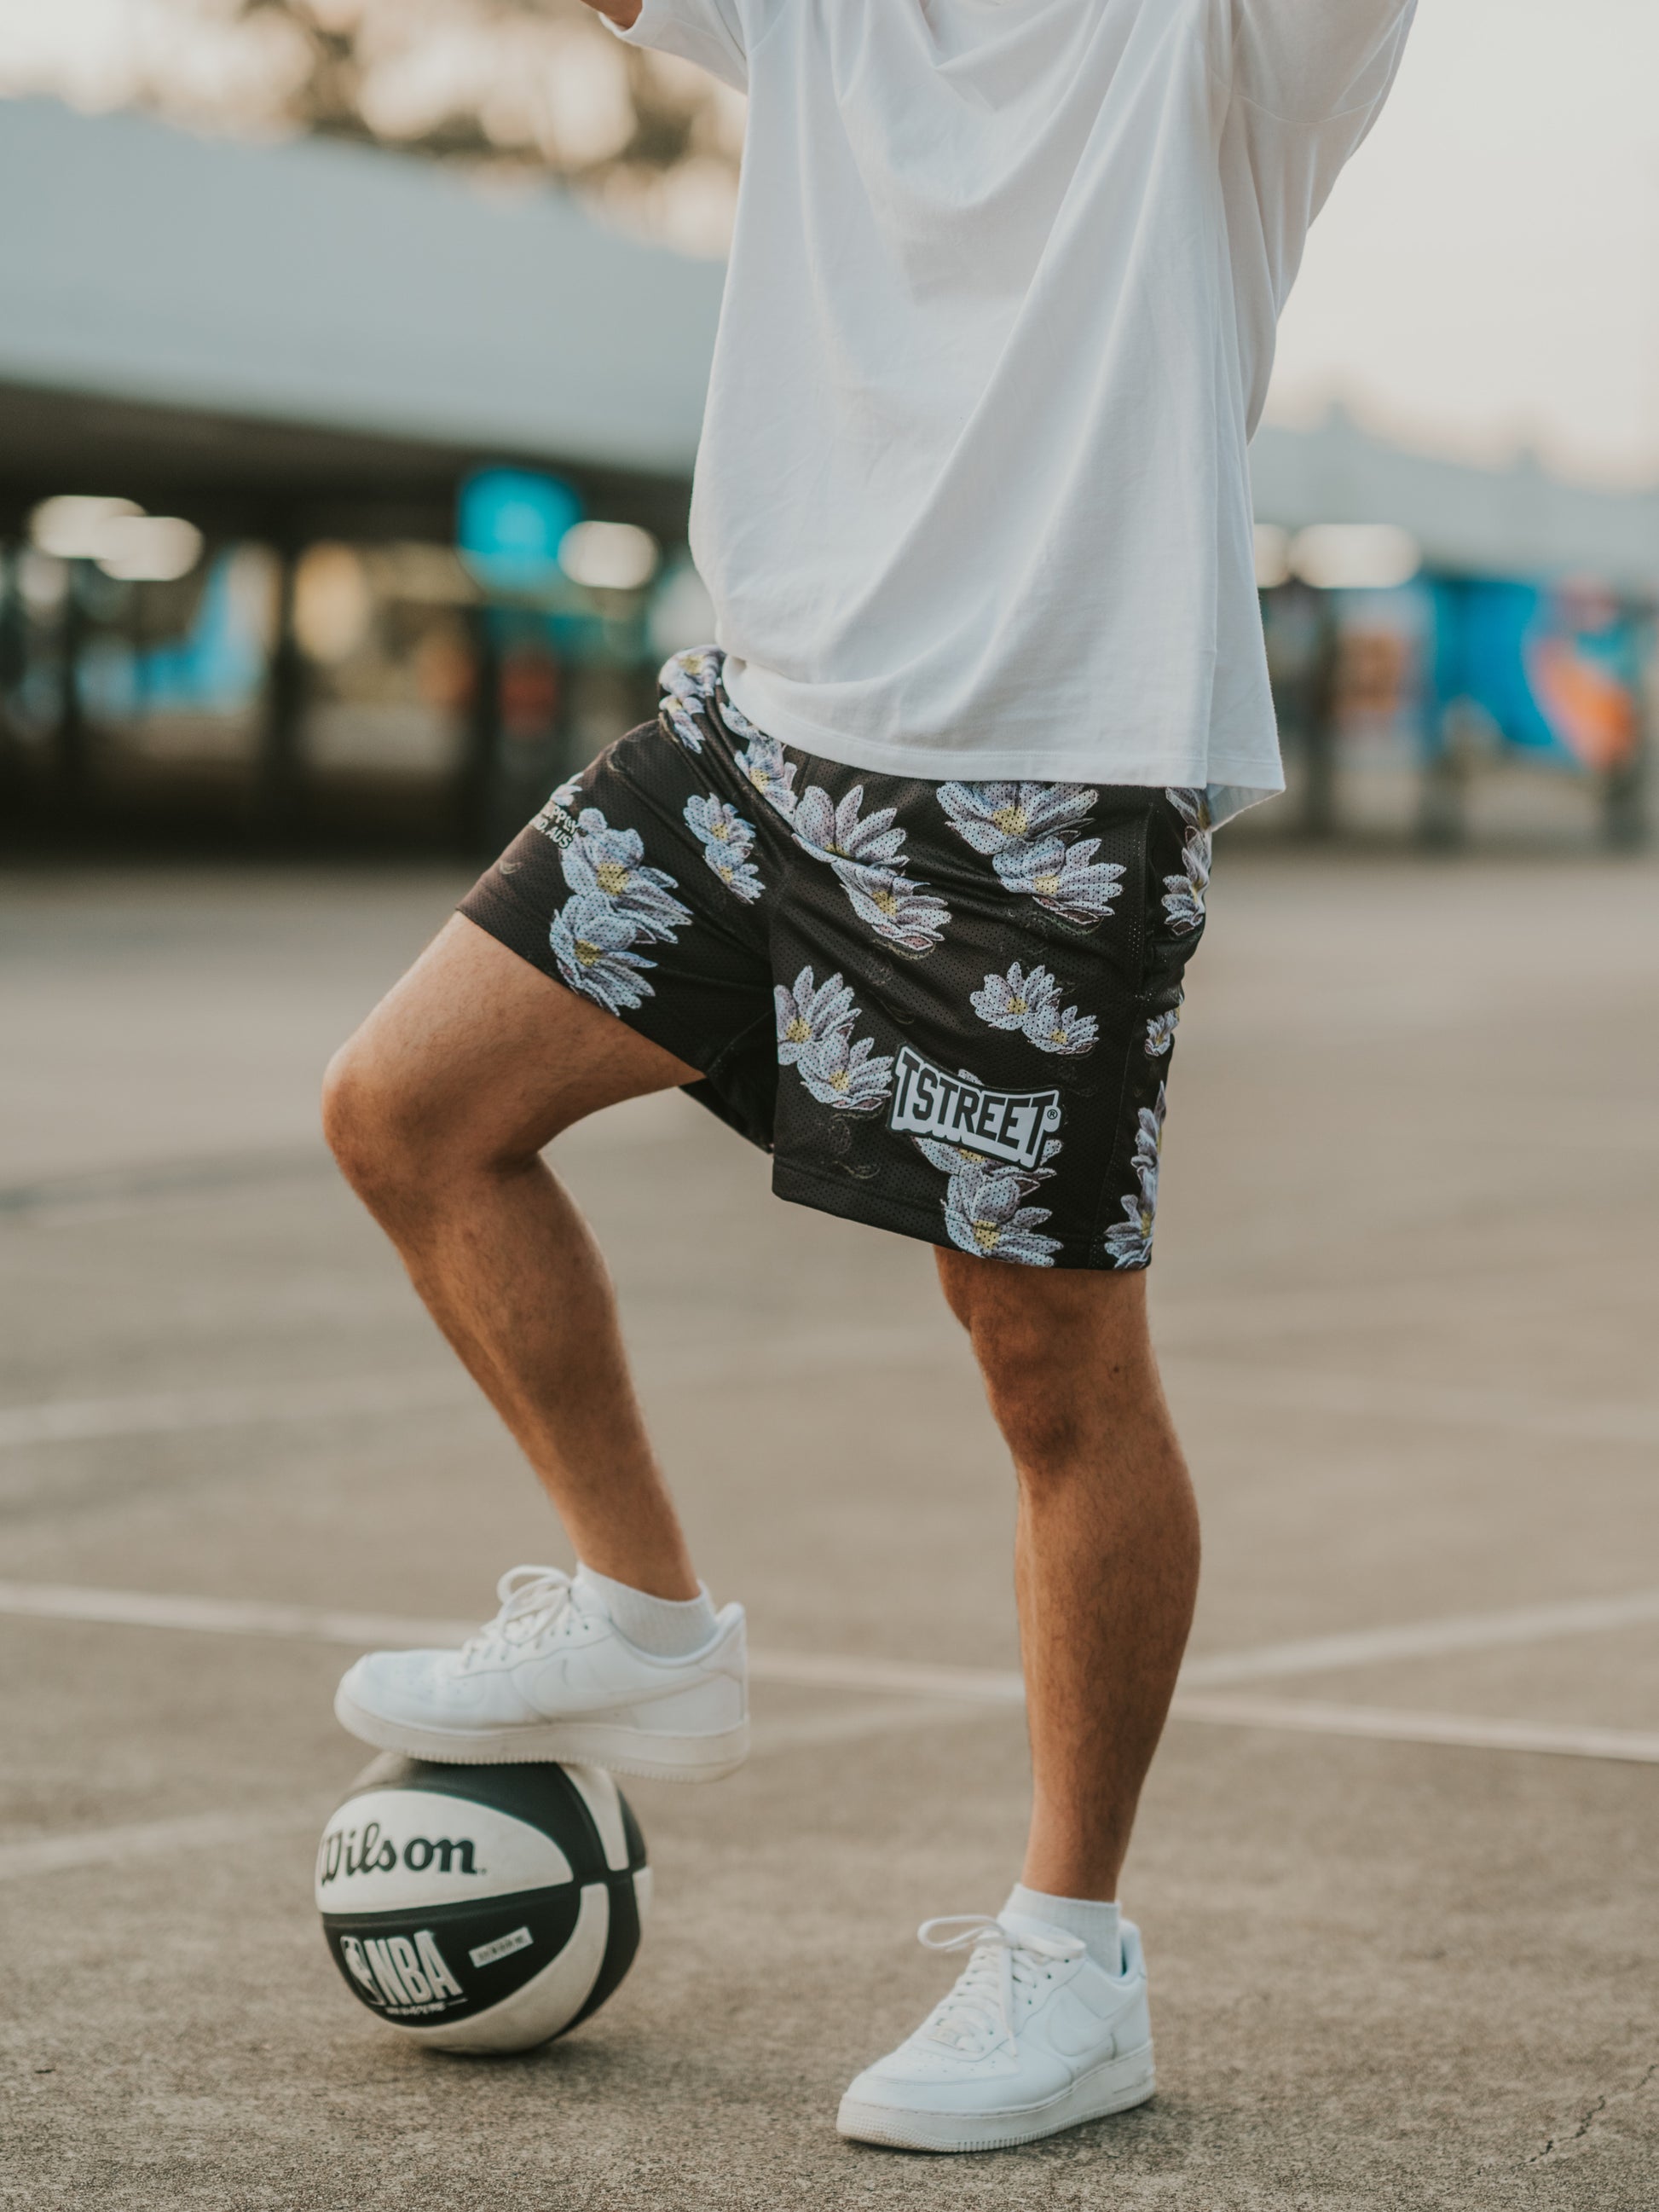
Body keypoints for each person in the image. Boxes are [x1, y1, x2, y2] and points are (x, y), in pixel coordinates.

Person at [322, 0, 1415, 2154]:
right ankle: (642, 1616)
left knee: (1047, 1364)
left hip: (1046, 781)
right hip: (767, 733)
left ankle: (1070, 1960)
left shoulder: (1221, 37)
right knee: (410, 1111)